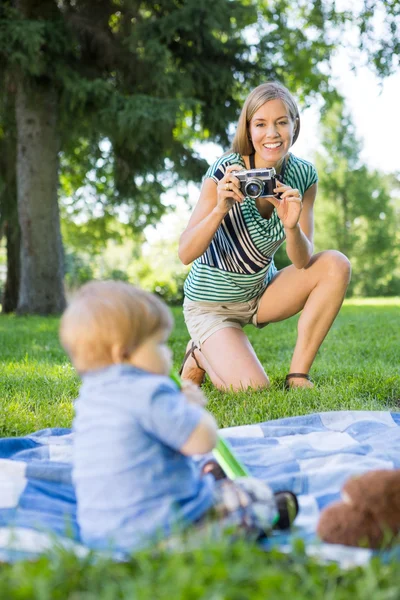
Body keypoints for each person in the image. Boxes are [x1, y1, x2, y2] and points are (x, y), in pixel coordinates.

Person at [59, 280, 281, 553]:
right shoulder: (149, 391)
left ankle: (207, 482)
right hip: (165, 531)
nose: (166, 353)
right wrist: (192, 407)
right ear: (123, 353)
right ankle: (266, 516)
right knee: (255, 495)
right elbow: (202, 442)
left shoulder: (90, 397)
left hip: (102, 534)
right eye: (159, 345)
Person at [178, 81, 351, 391]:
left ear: (294, 125)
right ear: (248, 129)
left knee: (336, 264)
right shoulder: (224, 171)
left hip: (260, 292)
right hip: (211, 305)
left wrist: (291, 226)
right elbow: (185, 253)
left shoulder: (303, 176)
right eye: (261, 124)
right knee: (253, 388)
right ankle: (200, 354)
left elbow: (302, 261)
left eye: (281, 122)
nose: (272, 133)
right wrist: (219, 209)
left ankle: (298, 376)